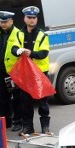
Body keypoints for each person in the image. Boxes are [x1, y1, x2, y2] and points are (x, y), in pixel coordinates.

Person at [12, 6, 51, 135]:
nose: (32, 20)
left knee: (42, 102)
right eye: (29, 17)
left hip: (40, 73)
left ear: (36, 19)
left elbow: (44, 53)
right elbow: (13, 48)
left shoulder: (42, 34)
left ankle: (45, 127)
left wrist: (31, 53)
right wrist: (18, 51)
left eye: (34, 18)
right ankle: (28, 127)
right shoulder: (19, 34)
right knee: (25, 102)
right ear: (24, 18)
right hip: (26, 73)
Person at [0, 10, 22, 131]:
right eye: (1, 22)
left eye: (5, 22)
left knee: (17, 98)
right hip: (3, 72)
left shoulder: (18, 33)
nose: (3, 24)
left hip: (14, 72)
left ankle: (18, 122)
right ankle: (6, 122)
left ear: (11, 21)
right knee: (3, 98)